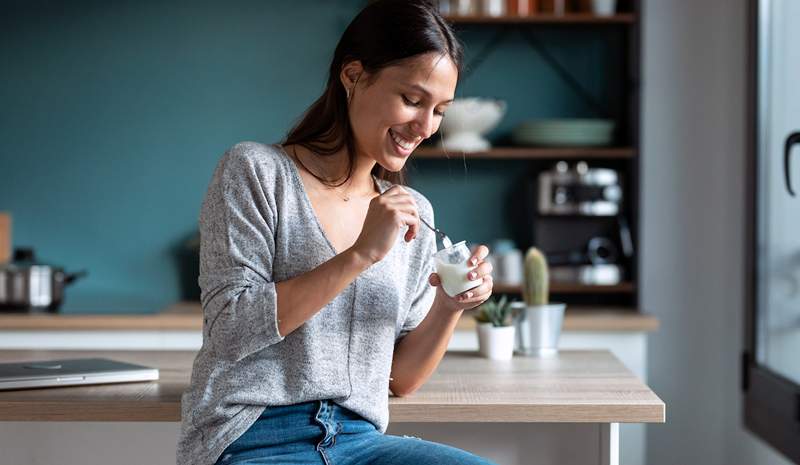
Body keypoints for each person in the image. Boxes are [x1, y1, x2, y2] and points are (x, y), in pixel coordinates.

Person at [176, 1, 496, 464]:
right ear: (353, 76)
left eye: (439, 111)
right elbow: (229, 330)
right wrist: (360, 254)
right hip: (254, 437)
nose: (426, 127)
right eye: (412, 100)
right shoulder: (255, 172)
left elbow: (399, 380)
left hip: (358, 441)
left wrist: (450, 306)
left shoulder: (413, 215)